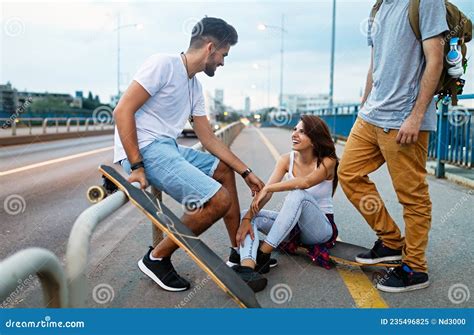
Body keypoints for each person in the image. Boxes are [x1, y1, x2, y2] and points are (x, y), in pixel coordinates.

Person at [113, 17, 265, 292]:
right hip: (145, 150)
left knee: (222, 169)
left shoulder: (194, 85)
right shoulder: (163, 64)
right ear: (210, 48)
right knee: (218, 200)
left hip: (167, 148)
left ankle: (237, 255)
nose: (222, 63)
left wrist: (246, 172)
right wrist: (136, 165)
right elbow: (122, 111)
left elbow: (207, 138)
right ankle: (156, 258)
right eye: (223, 55)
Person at [338, 0, 448, 292]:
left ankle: (415, 269)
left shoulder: (424, 2)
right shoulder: (378, 8)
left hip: (404, 119)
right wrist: (363, 108)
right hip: (371, 117)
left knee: (412, 197)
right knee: (348, 173)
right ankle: (389, 241)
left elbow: (434, 60)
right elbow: (374, 66)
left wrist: (416, 115)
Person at [233, 116, 339, 291]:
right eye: (295, 130)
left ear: (315, 139)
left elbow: (304, 182)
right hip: (292, 227)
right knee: (246, 215)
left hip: (319, 229)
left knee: (298, 193)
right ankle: (248, 268)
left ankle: (264, 253)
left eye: (302, 132)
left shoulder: (328, 161)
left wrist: (268, 188)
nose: (295, 134)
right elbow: (265, 196)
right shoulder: (286, 160)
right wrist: (248, 217)